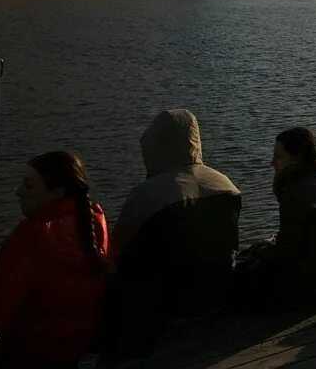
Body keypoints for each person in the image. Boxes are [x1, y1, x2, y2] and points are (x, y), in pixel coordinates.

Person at [0, 151, 110, 368]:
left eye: (29, 186)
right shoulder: (96, 223)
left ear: (56, 193)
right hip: (78, 346)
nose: (18, 191)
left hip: (19, 346)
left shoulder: (31, 237)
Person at [101, 109, 241, 358]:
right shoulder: (225, 184)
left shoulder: (148, 194)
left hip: (168, 303)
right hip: (219, 291)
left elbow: (117, 248)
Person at [234, 127, 316, 309]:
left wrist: (261, 248)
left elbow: (285, 253)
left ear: (297, 158)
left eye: (278, 156)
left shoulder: (296, 192)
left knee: (241, 273)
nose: (272, 162)